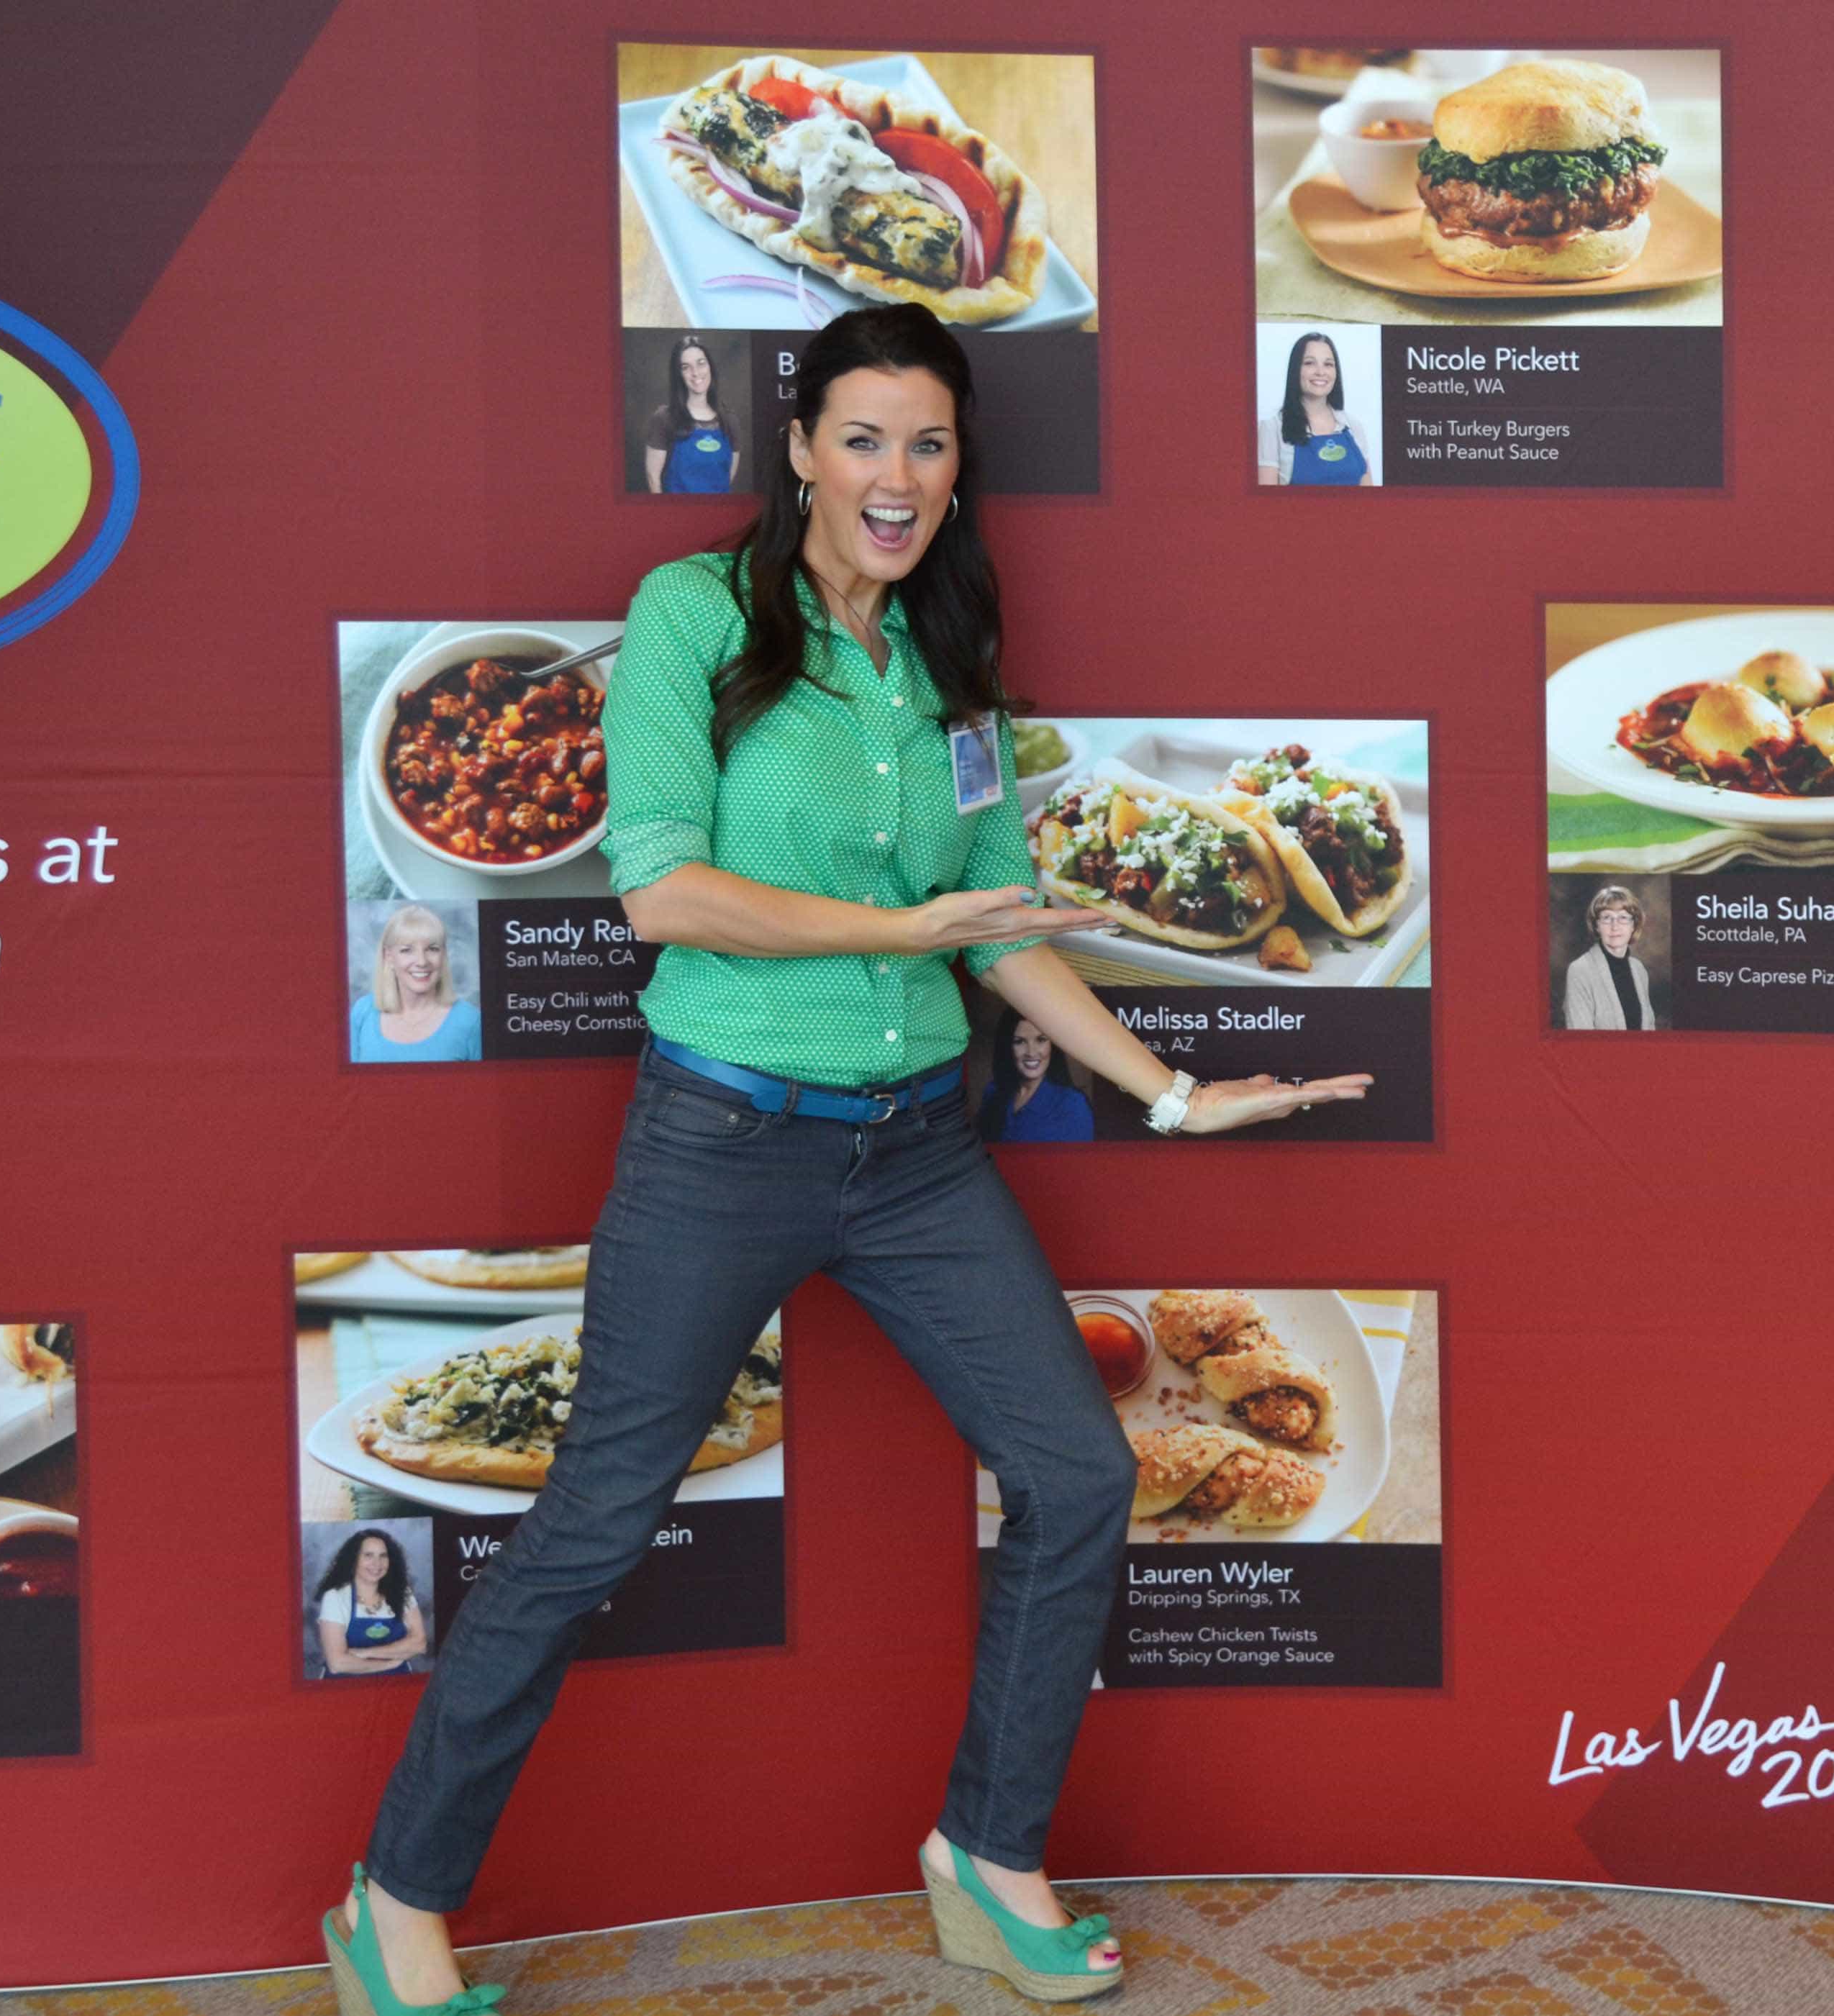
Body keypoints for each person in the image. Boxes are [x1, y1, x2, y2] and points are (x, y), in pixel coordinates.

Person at [324, 303, 1372, 2012]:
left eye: (930, 444)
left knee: (1079, 1472)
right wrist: (905, 920)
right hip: (719, 1137)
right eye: (865, 438)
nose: (896, 477)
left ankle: (985, 1852)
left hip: (913, 1155)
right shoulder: (693, 612)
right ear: (801, 449)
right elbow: (658, 889)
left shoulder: (945, 648)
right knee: (591, 1526)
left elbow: (1000, 924)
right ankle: (397, 1898)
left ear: (959, 474)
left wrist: (1167, 1092)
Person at [349, 904, 482, 1062]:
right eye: (407, 950)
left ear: (443, 955)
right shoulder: (363, 1012)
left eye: (432, 949)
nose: (422, 961)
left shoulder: (471, 1021)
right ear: (389, 957)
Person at [1261, 332, 1374, 486]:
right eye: (1309, 363)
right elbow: (1265, 505)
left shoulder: (1353, 426)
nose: (1321, 372)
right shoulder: (1272, 429)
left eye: (1328, 364)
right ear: (1295, 370)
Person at [315, 1530, 428, 1677]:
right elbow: (337, 1663)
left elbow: (420, 1644)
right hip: (343, 1688)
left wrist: (365, 1653)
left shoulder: (403, 1593)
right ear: (354, 1559)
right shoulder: (336, 1597)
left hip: (396, 1685)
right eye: (368, 1555)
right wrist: (388, 1665)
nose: (377, 1563)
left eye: (383, 1556)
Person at [976, 1008, 1094, 1143]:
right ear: (1007, 1046)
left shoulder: (1073, 1104)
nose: (1031, 1053)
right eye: (1019, 1042)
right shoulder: (993, 1092)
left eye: (1041, 1040)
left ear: (1053, 1046)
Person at [644, 335, 740, 494]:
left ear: (710, 367)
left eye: (701, 363)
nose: (696, 373)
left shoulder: (730, 421)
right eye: (686, 367)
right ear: (678, 374)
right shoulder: (664, 419)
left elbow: (728, 477)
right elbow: (653, 478)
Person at [1563, 884, 1656, 1030]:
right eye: (1607, 918)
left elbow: (1649, 1027)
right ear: (1596, 926)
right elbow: (1580, 1039)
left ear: (1634, 925)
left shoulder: (1639, 969)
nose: (1615, 926)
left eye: (1623, 917)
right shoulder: (1580, 970)